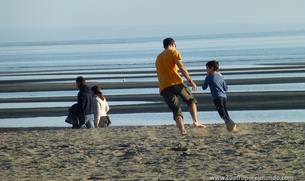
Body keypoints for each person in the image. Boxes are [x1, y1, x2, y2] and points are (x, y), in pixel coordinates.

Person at [155, 37, 206, 135]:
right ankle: (195, 121)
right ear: (173, 44)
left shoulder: (158, 57)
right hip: (176, 83)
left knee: (176, 109)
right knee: (191, 100)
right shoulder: (174, 52)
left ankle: (182, 130)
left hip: (164, 87)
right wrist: (190, 81)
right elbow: (181, 67)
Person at [202, 60, 237, 132]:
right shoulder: (220, 76)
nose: (206, 70)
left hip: (217, 96)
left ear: (211, 68)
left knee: (222, 113)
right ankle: (230, 129)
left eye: (207, 68)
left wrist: (207, 80)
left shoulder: (209, 76)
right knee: (225, 112)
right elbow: (225, 88)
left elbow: (204, 87)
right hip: (224, 96)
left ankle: (232, 123)